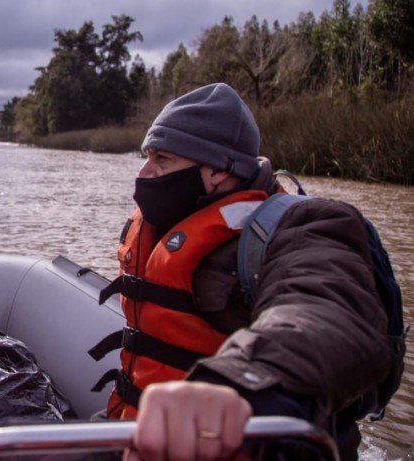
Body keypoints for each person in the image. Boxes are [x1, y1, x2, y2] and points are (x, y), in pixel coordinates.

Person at [100, 83, 393, 461]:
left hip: (235, 443)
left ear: (218, 170)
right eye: (147, 156)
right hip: (136, 432)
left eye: (162, 159)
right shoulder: (165, 220)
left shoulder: (307, 226)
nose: (145, 172)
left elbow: (325, 310)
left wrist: (242, 380)